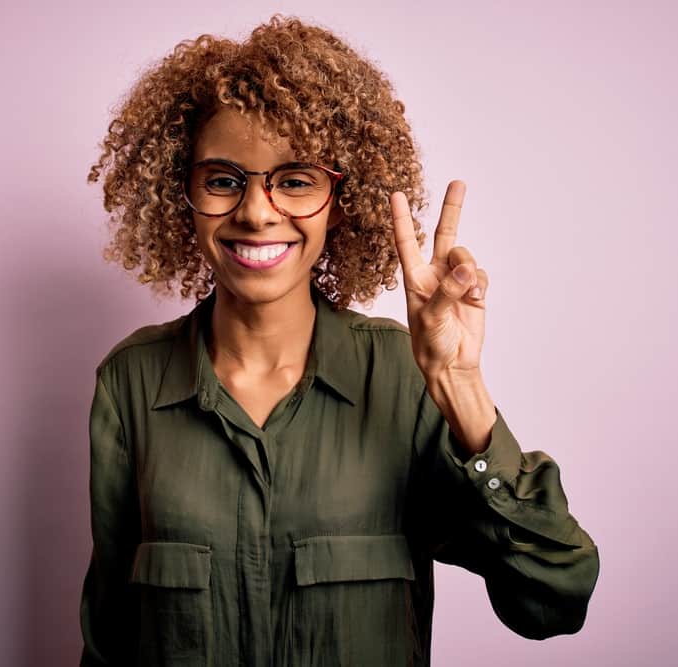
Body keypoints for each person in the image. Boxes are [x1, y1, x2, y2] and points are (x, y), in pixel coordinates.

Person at [81, 15, 599, 667]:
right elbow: (107, 638)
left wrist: (461, 387)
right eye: (222, 179)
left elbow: (555, 599)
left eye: (294, 179)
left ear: (339, 197)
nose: (257, 211)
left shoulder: (402, 375)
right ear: (180, 190)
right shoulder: (130, 383)